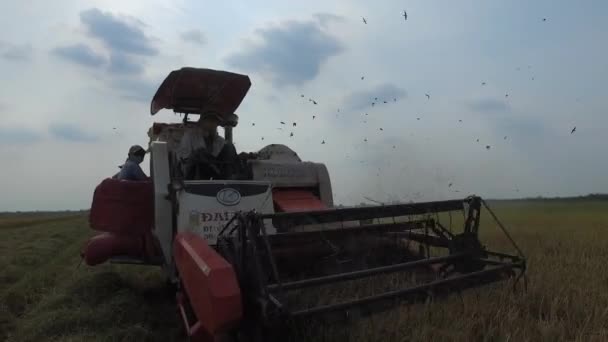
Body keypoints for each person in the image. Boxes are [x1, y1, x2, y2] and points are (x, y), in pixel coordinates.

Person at [176, 111, 237, 180]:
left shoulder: (221, 141)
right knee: (200, 153)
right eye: (210, 121)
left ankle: (232, 179)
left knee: (230, 147)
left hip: (217, 172)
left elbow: (223, 158)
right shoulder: (190, 136)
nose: (213, 124)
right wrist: (195, 155)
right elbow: (182, 156)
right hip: (194, 172)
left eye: (215, 121)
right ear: (202, 122)